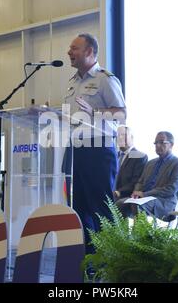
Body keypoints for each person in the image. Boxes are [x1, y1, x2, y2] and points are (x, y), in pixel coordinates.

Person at [64, 33, 126, 254]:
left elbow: (121, 114)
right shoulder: (73, 83)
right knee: (80, 208)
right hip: (76, 150)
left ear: (89, 52)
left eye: (74, 48)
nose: (69, 52)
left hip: (98, 150)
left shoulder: (105, 79)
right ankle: (91, 260)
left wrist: (95, 112)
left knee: (101, 208)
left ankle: (111, 260)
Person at [116, 131, 178, 221]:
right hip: (143, 198)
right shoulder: (151, 163)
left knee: (137, 205)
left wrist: (144, 194)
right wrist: (136, 192)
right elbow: (140, 182)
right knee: (120, 203)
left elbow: (172, 188)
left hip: (163, 201)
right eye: (156, 143)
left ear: (171, 144)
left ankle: (141, 235)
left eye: (161, 142)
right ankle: (120, 234)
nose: (157, 145)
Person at [113, 126, 148, 201]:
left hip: (124, 196)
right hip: (109, 193)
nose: (120, 137)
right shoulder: (113, 155)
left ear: (132, 137)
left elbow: (136, 182)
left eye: (123, 135)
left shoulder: (140, 156)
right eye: (118, 135)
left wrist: (118, 192)